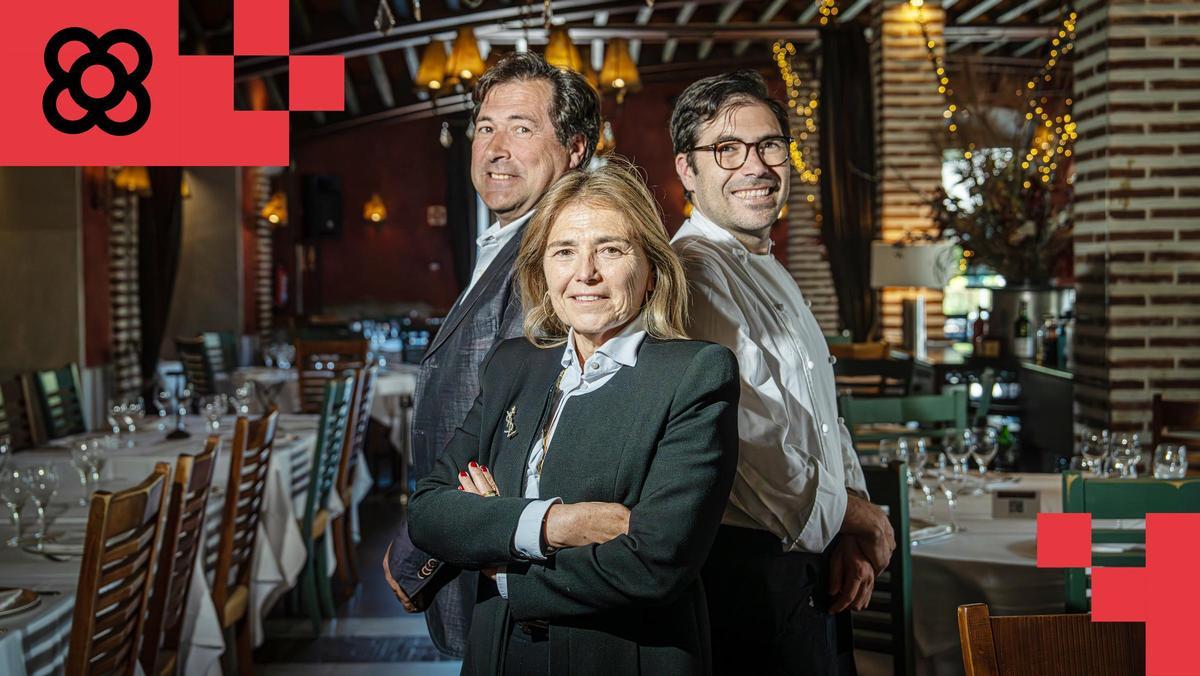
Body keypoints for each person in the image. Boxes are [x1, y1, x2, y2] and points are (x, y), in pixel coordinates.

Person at [407, 160, 740, 676]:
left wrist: (500, 562)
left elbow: (656, 563)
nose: (585, 273)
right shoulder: (513, 364)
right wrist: (559, 524)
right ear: (542, 272)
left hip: (621, 657)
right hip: (499, 655)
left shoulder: (695, 374)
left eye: (610, 249)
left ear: (651, 270)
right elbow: (429, 510)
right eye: (564, 251)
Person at [669, 70, 896, 674]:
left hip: (809, 554)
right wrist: (858, 517)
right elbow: (746, 440)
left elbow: (821, 416)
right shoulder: (696, 272)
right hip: (751, 572)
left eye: (769, 145)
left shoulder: (764, 259)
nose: (757, 166)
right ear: (687, 171)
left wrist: (847, 527)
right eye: (727, 149)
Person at [407, 51, 600, 655]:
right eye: (485, 127)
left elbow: (529, 425)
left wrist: (426, 540)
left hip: (510, 559)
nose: (496, 147)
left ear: (575, 148)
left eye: (522, 128)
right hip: (476, 545)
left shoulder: (555, 251)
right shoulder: (505, 240)